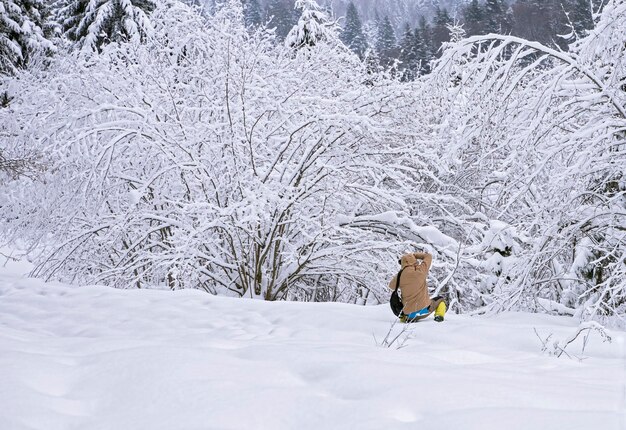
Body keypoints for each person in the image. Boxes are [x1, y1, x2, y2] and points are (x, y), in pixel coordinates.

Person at [388, 251, 446, 322]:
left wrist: (402, 272)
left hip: (408, 315)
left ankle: (404, 319)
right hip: (425, 311)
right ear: (414, 261)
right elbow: (428, 256)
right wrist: (414, 255)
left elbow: (391, 286)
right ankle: (439, 316)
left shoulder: (400, 276)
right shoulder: (421, 270)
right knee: (441, 300)